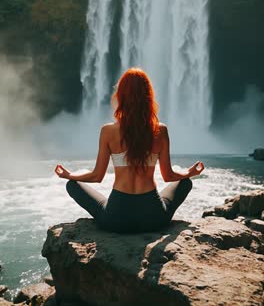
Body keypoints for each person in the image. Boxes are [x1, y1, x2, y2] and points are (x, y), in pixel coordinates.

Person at [55, 68, 204, 233]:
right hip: (153, 218)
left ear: (120, 96)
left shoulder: (108, 131)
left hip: (116, 219)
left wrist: (70, 175)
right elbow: (168, 176)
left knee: (72, 185)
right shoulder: (160, 131)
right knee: (185, 183)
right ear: (148, 96)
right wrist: (189, 173)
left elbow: (97, 176)